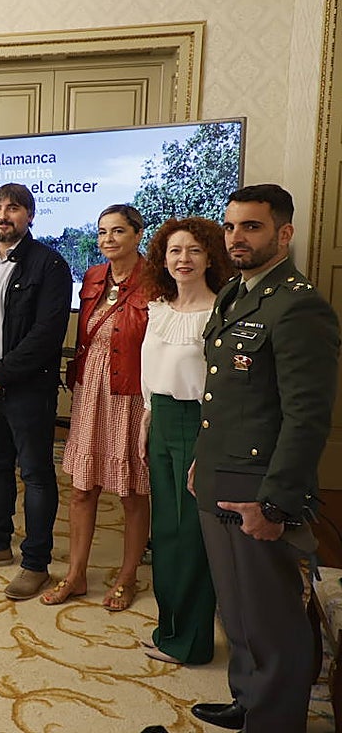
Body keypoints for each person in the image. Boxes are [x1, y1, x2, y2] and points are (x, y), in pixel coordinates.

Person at [189, 184, 339, 733]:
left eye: (251, 227)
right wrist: (202, 460)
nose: (236, 237)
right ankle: (249, 699)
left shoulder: (299, 305)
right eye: (230, 226)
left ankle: (275, 721)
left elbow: (307, 417)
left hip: (258, 485)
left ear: (284, 232)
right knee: (236, 607)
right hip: (221, 472)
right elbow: (224, 395)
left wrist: (274, 503)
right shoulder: (235, 292)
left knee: (271, 615)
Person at [0, 183, 72, 601]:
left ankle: (35, 563)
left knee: (35, 474)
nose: (3, 215)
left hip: (27, 390)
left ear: (30, 216)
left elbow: (46, 334)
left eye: (14, 208)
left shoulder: (49, 265)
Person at [42, 205, 151, 611]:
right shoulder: (91, 277)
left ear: (138, 234)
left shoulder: (156, 281)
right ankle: (76, 575)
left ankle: (128, 576)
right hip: (91, 390)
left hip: (131, 393)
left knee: (132, 492)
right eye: (102, 231)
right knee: (82, 488)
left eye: (118, 231)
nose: (108, 239)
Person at [135, 217, 232, 666]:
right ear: (163, 258)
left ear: (210, 257)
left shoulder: (222, 314)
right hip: (161, 418)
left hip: (200, 424)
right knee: (167, 532)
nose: (183, 259)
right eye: (175, 251)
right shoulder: (158, 309)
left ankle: (192, 642)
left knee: (193, 535)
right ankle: (169, 629)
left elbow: (227, 388)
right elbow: (150, 372)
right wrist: (146, 416)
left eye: (194, 250)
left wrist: (209, 446)